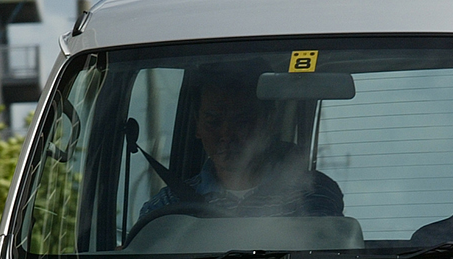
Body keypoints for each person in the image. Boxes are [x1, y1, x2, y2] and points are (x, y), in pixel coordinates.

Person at [135, 70, 343, 221]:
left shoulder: (311, 193)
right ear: (197, 126)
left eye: (241, 121)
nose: (226, 135)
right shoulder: (167, 206)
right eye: (213, 122)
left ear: (269, 122)